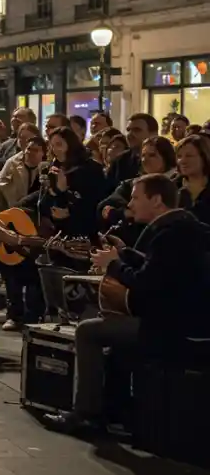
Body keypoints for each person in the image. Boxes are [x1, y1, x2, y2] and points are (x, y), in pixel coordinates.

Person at [45, 174, 210, 432]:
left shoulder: (170, 233)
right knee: (110, 326)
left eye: (135, 197)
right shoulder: (183, 226)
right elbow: (159, 268)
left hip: (170, 327)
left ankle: (87, 414)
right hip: (181, 320)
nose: (129, 204)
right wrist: (124, 254)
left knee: (88, 331)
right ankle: (114, 407)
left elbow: (146, 283)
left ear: (156, 200)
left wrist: (114, 265)